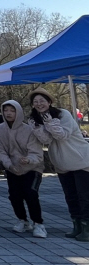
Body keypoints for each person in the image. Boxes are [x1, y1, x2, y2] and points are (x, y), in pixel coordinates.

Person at [29, 87, 89, 242]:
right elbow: (46, 140)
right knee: (70, 196)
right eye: (35, 102)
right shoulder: (36, 119)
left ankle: (87, 227)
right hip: (62, 163)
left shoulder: (63, 114)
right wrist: (37, 127)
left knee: (84, 196)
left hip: (80, 160)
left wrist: (49, 122)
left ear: (49, 101)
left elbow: (62, 135)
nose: (39, 104)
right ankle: (77, 225)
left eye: (42, 100)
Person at [0, 100, 45, 238]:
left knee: (31, 193)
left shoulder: (29, 130)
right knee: (14, 195)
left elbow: (36, 152)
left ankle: (38, 223)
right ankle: (22, 220)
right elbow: (0, 151)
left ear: (19, 112)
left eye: (12, 110)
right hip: (12, 168)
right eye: (6, 110)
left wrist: (28, 160)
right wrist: (9, 165)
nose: (9, 113)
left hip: (33, 167)